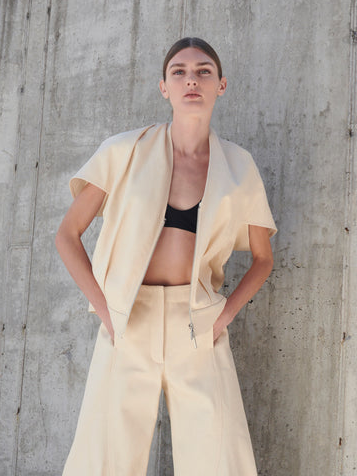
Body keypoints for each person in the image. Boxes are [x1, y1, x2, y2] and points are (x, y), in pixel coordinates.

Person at [56, 36, 277, 476]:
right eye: (179, 71)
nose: (191, 79)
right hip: (126, 319)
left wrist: (223, 316)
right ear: (164, 87)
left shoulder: (239, 165)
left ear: (222, 85)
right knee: (104, 460)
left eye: (203, 71)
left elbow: (262, 258)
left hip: (198, 322)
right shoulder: (123, 150)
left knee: (219, 460)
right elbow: (67, 234)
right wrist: (106, 311)